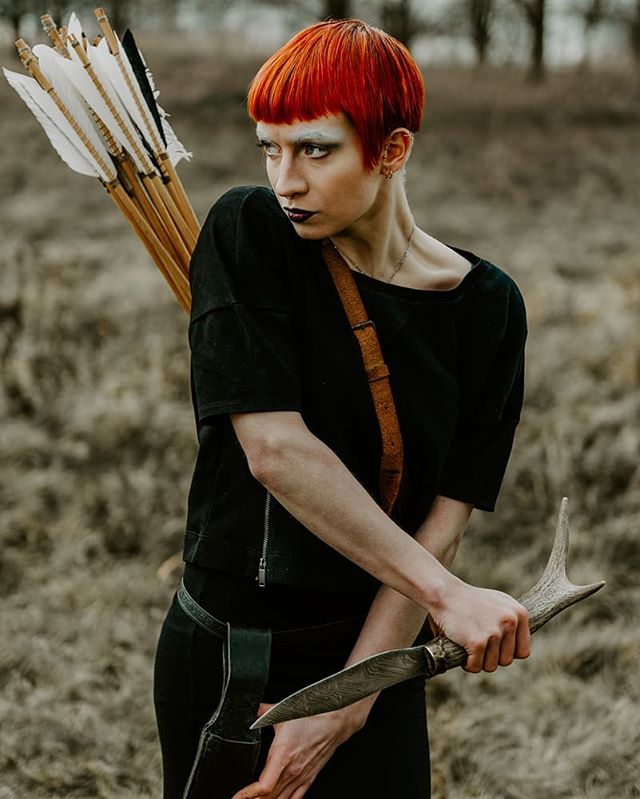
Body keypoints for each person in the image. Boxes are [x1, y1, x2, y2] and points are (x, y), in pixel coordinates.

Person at [153, 17, 531, 799]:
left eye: (314, 149)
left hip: (376, 657)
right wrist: (447, 598)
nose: (285, 177)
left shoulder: (487, 305)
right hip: (237, 661)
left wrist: (348, 703)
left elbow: (444, 517)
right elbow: (277, 453)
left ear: (392, 149)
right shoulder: (249, 231)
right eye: (270, 146)